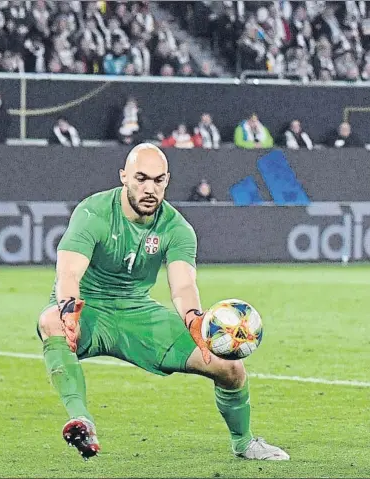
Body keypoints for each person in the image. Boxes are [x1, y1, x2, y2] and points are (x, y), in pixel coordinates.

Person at [37, 143, 290, 462]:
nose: (149, 188)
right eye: (141, 179)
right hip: (88, 310)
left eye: (158, 181)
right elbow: (69, 273)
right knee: (52, 321)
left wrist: (194, 319)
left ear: (167, 181)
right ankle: (82, 421)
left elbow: (183, 284)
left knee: (230, 367)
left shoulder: (177, 228)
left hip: (137, 313)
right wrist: (70, 312)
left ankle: (244, 443)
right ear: (123, 177)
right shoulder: (93, 212)